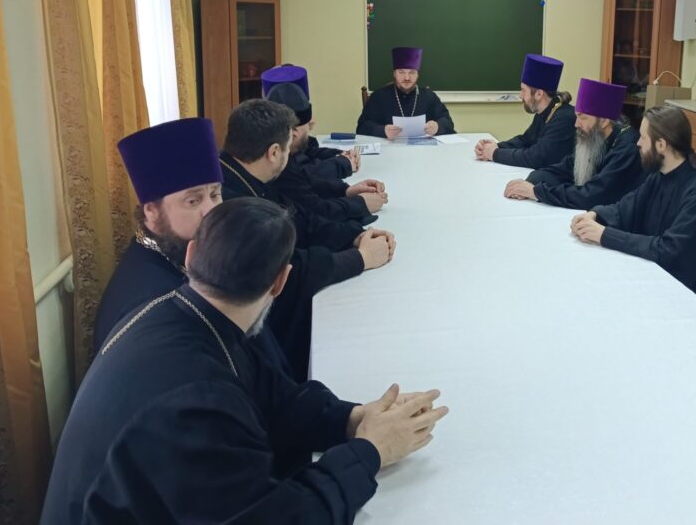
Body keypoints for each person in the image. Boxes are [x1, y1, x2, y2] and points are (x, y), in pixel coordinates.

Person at [42, 198, 448, 524]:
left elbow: (275, 397)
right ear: (281, 281)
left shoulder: (185, 311)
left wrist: (354, 418)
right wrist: (370, 450)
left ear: (192, 255)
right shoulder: (196, 401)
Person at [220, 99, 394, 378]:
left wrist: (355, 236)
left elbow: (301, 221)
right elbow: (291, 269)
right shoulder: (234, 202)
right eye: (288, 147)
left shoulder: (250, 176)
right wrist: (360, 258)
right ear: (274, 152)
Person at [570, 105, 696, 313]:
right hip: (659, 278)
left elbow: (671, 251)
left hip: (692, 298)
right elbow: (627, 208)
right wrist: (594, 215)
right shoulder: (660, 175)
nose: (637, 143)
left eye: (643, 138)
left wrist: (604, 235)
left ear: (661, 144)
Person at [92, 117, 223, 352]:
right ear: (151, 210)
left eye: (215, 194)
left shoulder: (174, 251)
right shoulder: (154, 303)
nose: (211, 211)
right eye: (193, 201)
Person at [504, 78, 645, 210]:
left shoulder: (627, 147)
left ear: (604, 121)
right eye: (577, 116)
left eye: (583, 118)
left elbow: (591, 196)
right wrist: (530, 183)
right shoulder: (595, 138)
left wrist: (537, 192)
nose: (576, 124)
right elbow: (564, 169)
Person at [267, 81, 387, 225]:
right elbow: (314, 211)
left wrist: (346, 191)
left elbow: (304, 181)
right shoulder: (279, 165)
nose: (312, 125)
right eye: (309, 125)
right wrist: (360, 204)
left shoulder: (280, 154)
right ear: (294, 132)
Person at [263, 63, 361, 181]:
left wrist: (340, 154)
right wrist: (344, 164)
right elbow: (305, 177)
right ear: (294, 131)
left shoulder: (291, 140)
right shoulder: (276, 155)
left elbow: (310, 150)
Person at [475, 54, 575, 168]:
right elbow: (525, 140)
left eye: (523, 90)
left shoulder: (564, 118)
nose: (520, 96)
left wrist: (494, 154)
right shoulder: (545, 110)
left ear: (539, 94)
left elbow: (536, 158)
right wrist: (496, 146)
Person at [357, 47, 455, 139]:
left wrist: (437, 126)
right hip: (390, 149)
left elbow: (447, 122)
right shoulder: (379, 96)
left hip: (423, 149)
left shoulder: (429, 96)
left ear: (417, 75)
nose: (407, 78)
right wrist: (382, 131)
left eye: (412, 72)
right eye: (401, 72)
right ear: (394, 74)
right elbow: (362, 126)